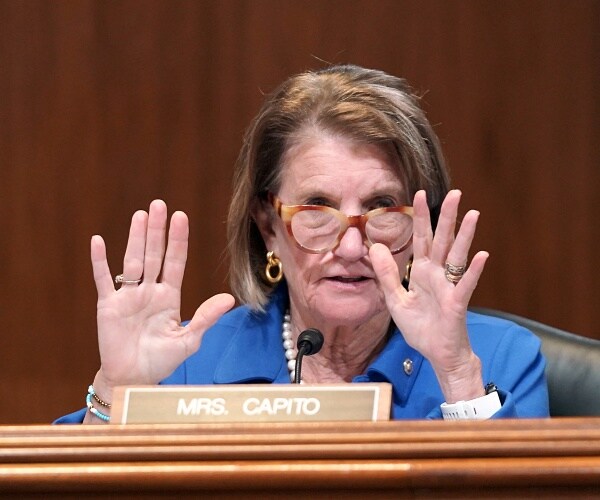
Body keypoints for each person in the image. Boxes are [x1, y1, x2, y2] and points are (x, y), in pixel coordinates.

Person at [56, 64, 549, 424]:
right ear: (268, 226)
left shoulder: (497, 359)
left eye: (381, 207)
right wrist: (117, 393)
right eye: (316, 208)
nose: (352, 247)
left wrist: (457, 378)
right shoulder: (187, 366)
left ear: (422, 228)